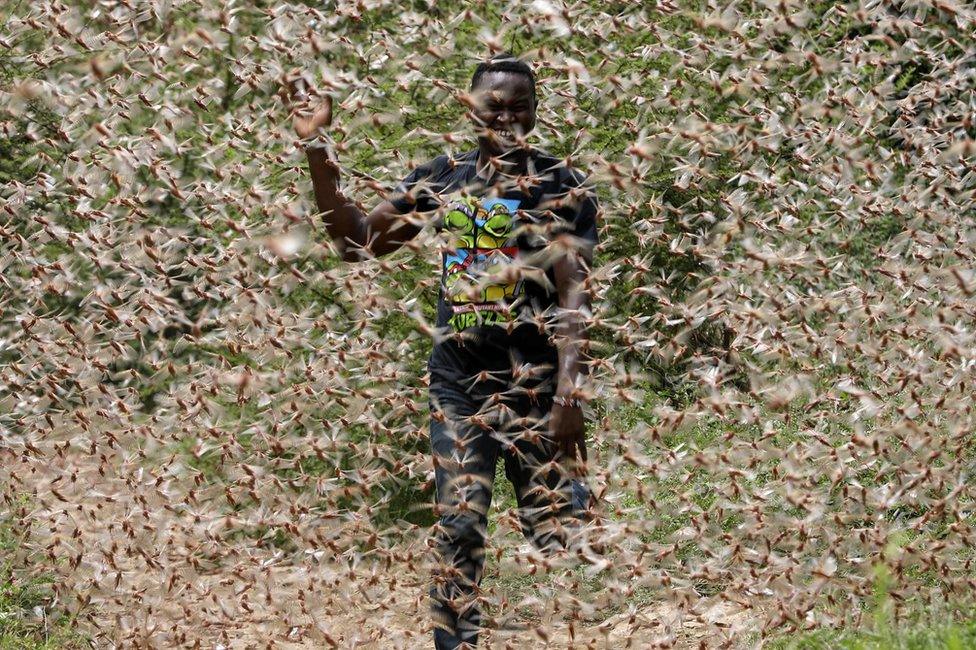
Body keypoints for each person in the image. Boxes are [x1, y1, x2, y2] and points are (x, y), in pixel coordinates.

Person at [287, 52, 600, 649]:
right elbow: (357, 243)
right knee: (460, 522)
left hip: (535, 382)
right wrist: (317, 146)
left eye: (519, 107)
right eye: (492, 107)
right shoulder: (446, 179)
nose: (505, 119)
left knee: (557, 536)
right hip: (459, 381)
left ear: (535, 113)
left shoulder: (563, 187)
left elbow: (573, 294)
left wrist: (570, 390)